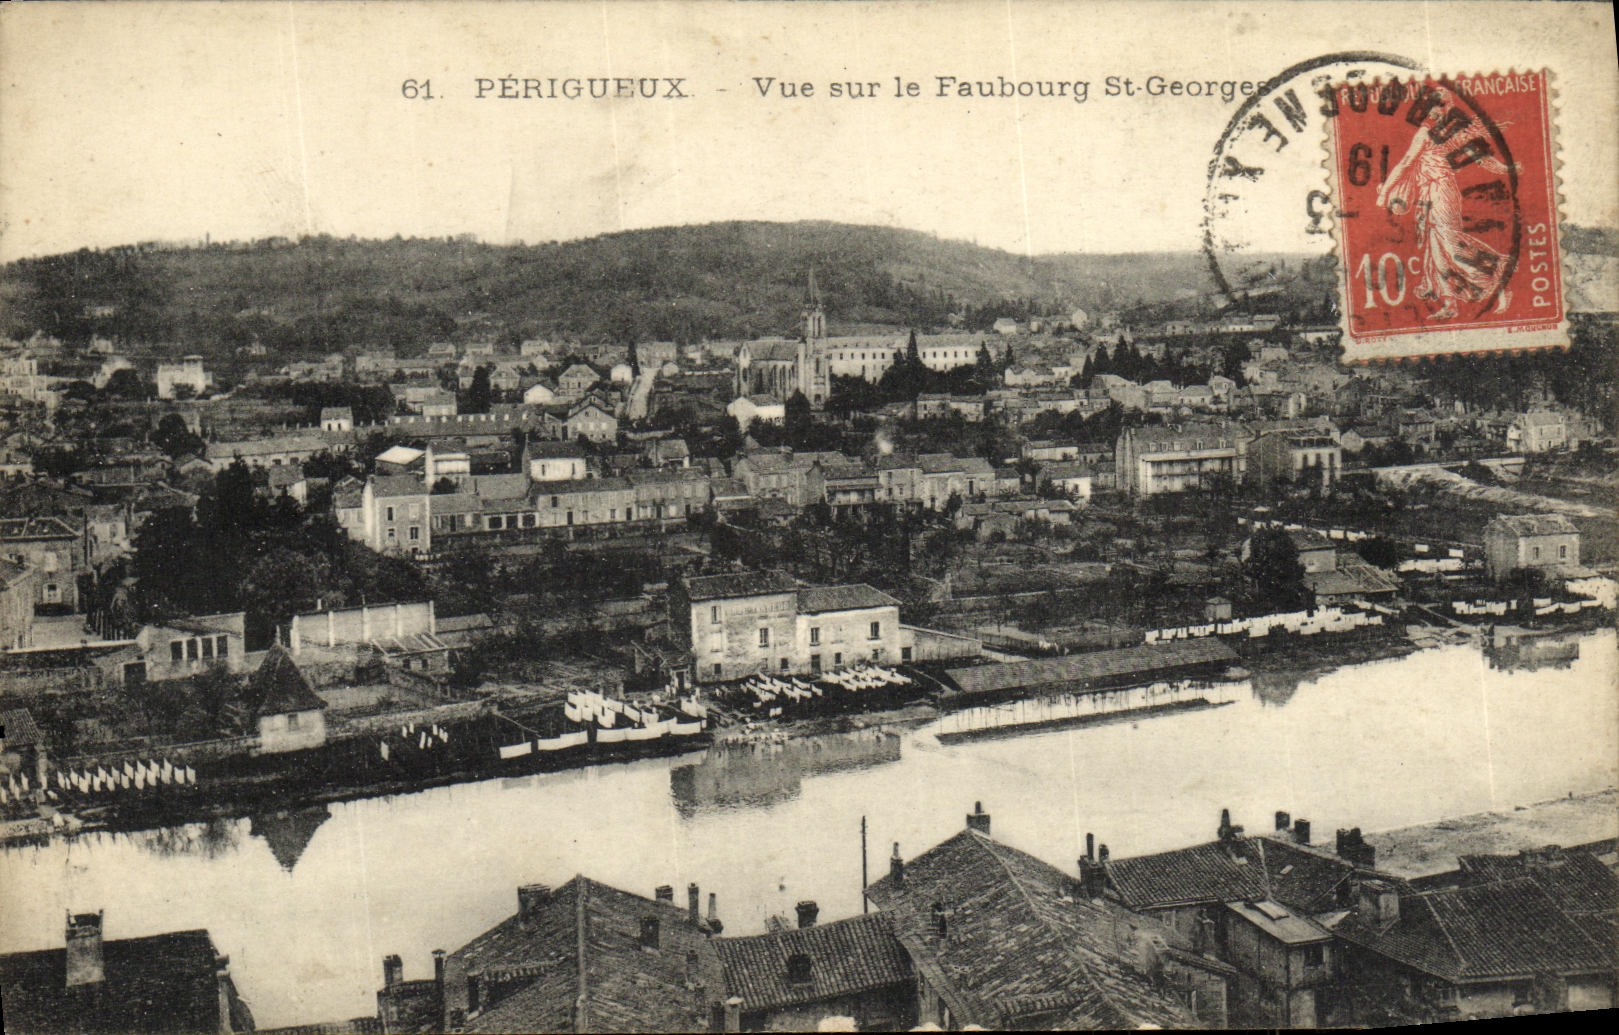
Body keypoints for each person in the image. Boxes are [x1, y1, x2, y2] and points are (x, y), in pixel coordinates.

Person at [1376, 95, 1516, 320]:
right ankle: (1450, 304)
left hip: (1441, 191)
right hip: (1427, 194)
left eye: (1442, 106)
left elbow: (1478, 155)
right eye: (1437, 107)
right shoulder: (1435, 133)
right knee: (1436, 251)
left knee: (1450, 245)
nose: (1438, 112)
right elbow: (1408, 163)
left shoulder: (1436, 133)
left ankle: (1499, 280)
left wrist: (1384, 194)